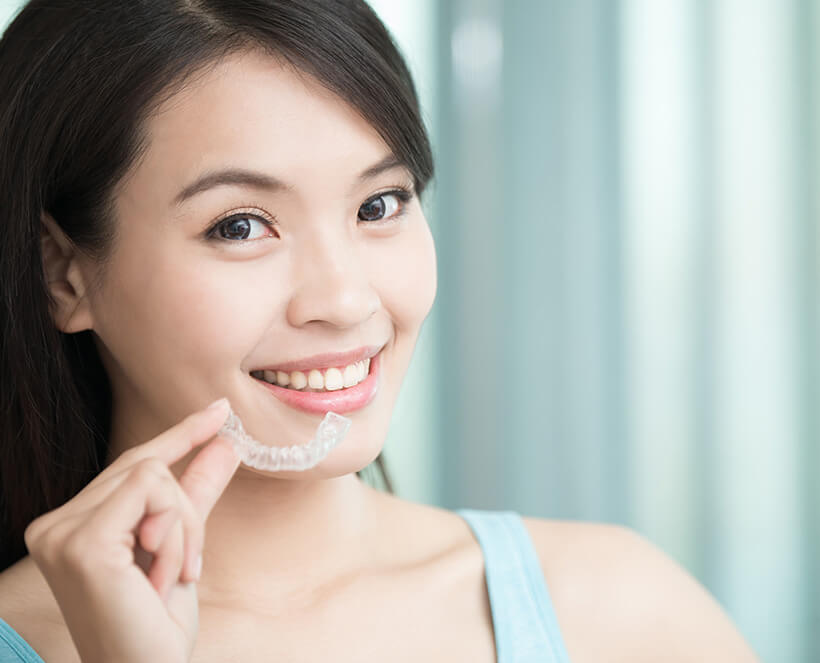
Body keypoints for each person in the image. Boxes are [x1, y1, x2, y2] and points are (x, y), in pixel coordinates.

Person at [0, 1, 760, 661]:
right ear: (62, 275)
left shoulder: (620, 614)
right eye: (240, 225)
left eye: (379, 205)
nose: (343, 297)